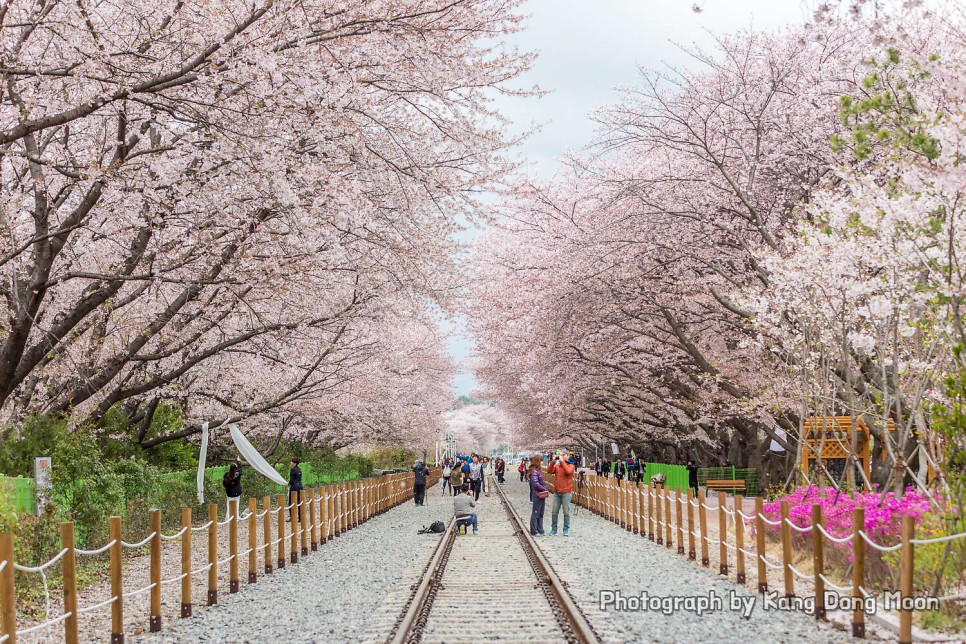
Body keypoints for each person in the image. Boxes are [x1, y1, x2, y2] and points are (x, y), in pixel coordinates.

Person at [547, 450, 575, 536]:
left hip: (566, 492)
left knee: (566, 512)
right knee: (554, 511)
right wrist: (553, 461)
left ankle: (566, 529)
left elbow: (568, 472)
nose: (562, 457)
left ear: (567, 456)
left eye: (564, 455)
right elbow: (549, 471)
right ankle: (553, 529)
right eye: (561, 455)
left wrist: (562, 461)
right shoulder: (558, 466)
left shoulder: (571, 465)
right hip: (557, 491)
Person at [528, 455, 548, 536]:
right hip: (537, 494)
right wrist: (544, 489)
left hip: (540, 495)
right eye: (541, 461)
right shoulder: (534, 472)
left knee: (540, 513)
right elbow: (535, 484)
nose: (542, 463)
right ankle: (534, 530)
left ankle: (540, 529)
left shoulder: (537, 471)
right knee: (536, 513)